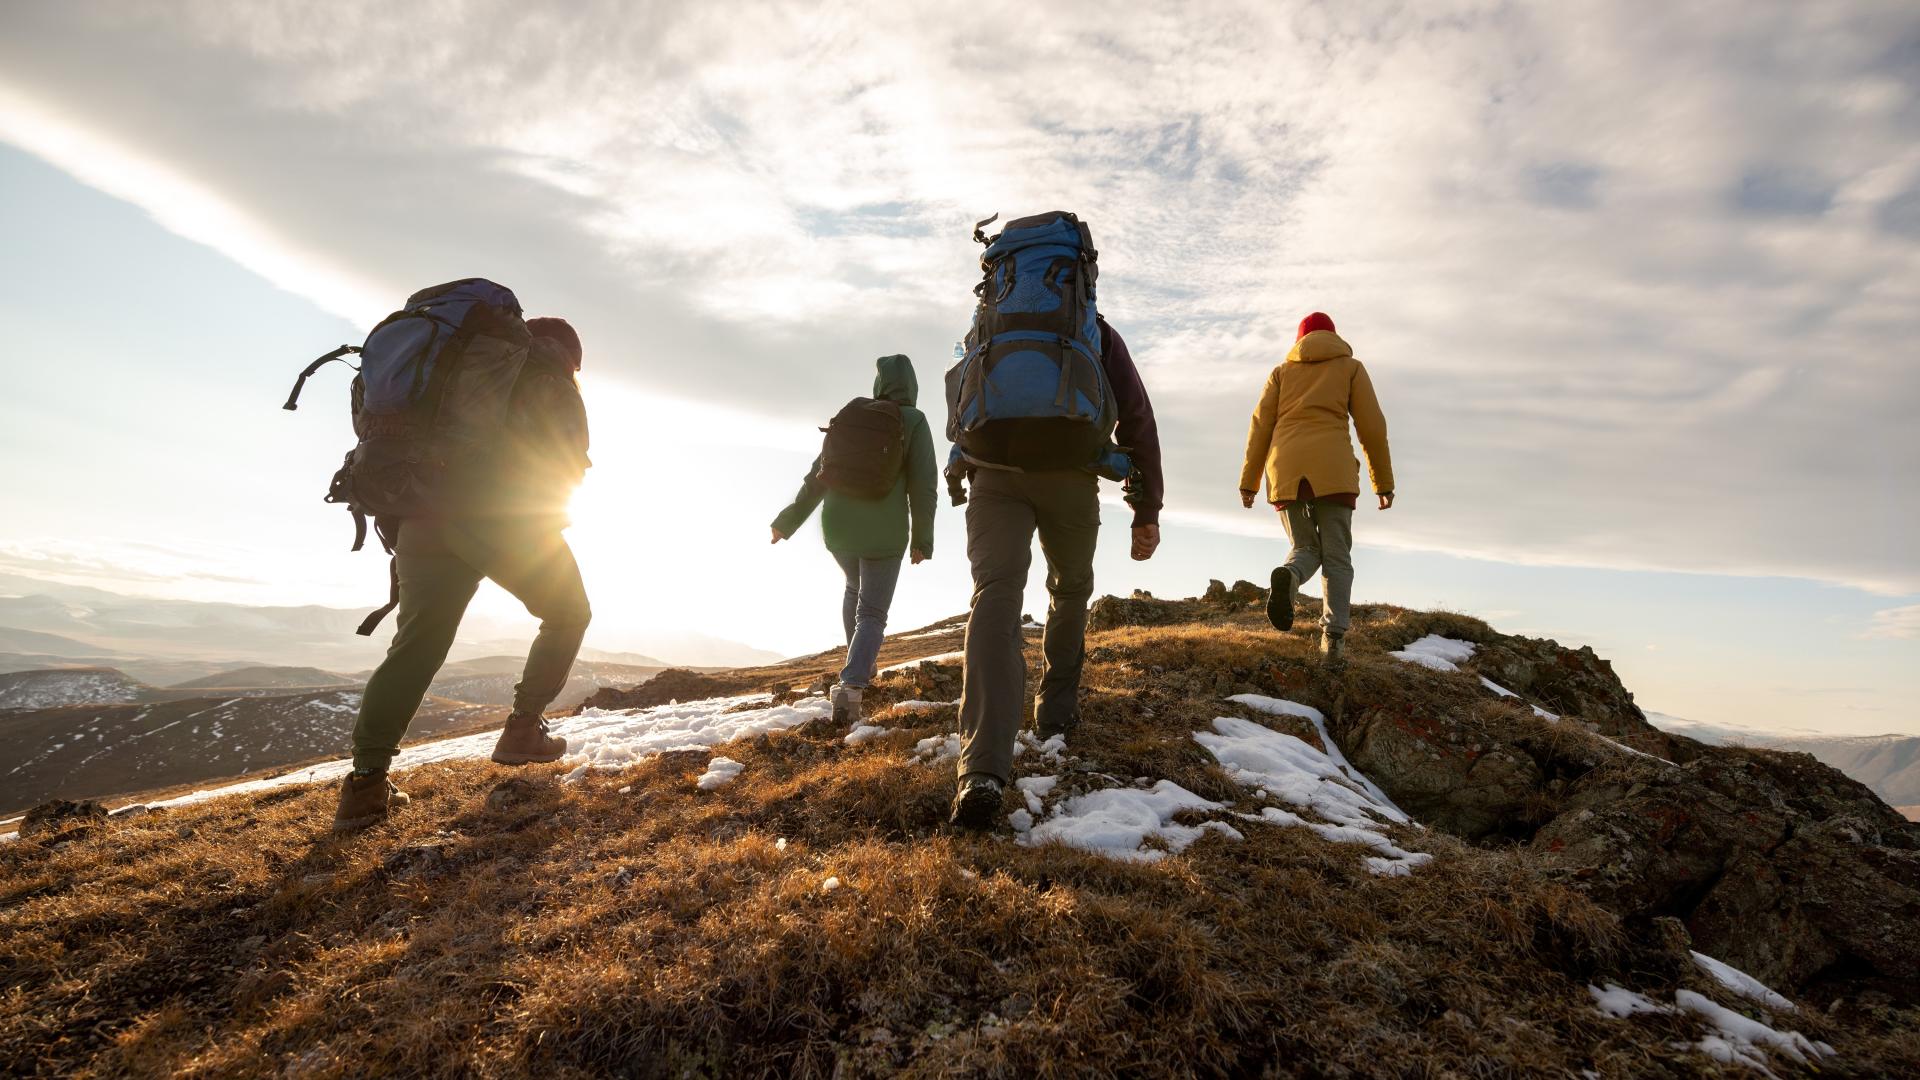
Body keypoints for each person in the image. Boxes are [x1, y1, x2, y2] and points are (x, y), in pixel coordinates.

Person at [333, 317, 593, 833]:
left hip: (418, 517)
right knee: (567, 612)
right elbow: (567, 461)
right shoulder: (545, 373)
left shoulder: (447, 375)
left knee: (415, 646)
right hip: (500, 518)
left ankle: (365, 784)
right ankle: (522, 731)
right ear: (568, 354)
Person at [949, 314, 1163, 829]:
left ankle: (981, 771)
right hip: (1070, 476)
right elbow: (1136, 415)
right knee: (1069, 589)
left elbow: (962, 398)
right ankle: (1056, 714)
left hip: (993, 476)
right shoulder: (1093, 329)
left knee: (995, 595)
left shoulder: (990, 324)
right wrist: (1146, 508)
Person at [771, 354, 937, 727]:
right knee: (873, 612)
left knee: (853, 588)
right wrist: (923, 539)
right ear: (911, 387)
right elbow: (923, 487)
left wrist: (788, 521)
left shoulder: (852, 416)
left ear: (879, 384)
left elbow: (817, 475)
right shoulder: (913, 421)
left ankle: (859, 662)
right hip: (884, 533)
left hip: (838, 529)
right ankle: (851, 685)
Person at [1238, 311, 1393, 665]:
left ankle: (1290, 577)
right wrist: (1382, 482)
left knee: (1304, 546)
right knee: (1337, 555)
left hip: (1285, 468)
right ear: (1334, 337)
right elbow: (1372, 427)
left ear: (1299, 340)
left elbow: (1259, 426)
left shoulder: (1281, 372)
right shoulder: (1350, 368)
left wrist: (1250, 482)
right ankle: (1333, 641)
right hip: (1333, 469)